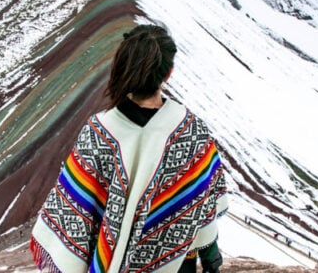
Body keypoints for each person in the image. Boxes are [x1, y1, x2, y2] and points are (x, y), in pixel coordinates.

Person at [30, 24, 228, 273]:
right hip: (178, 266)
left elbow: (72, 212)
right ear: (168, 73)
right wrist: (212, 259)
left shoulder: (98, 132)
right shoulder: (192, 131)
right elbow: (203, 203)